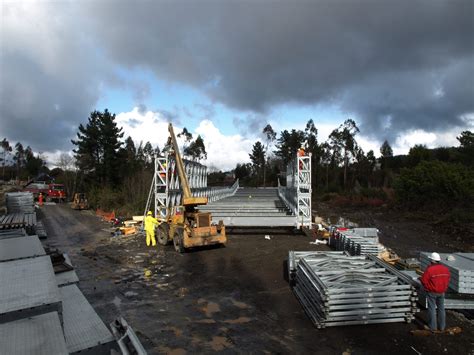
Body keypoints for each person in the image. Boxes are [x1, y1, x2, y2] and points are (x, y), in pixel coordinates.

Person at [420, 252, 451, 332]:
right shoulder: (445, 269)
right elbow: (448, 280)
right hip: (442, 292)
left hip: (432, 292)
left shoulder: (430, 269)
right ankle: (442, 327)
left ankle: (432, 327)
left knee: (432, 308)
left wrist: (427, 288)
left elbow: (423, 280)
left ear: (432, 260)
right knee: (441, 309)